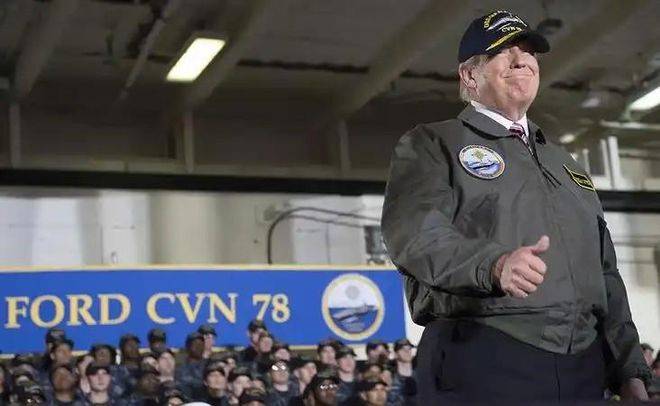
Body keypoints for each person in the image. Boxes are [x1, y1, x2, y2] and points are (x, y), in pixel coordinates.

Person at [381, 9, 652, 403]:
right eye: (502, 52)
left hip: (583, 368)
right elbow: (415, 236)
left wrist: (628, 369)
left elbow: (606, 273)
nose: (520, 60)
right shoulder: (433, 144)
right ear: (469, 75)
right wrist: (492, 265)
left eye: (528, 52)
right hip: (486, 353)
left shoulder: (566, 164)